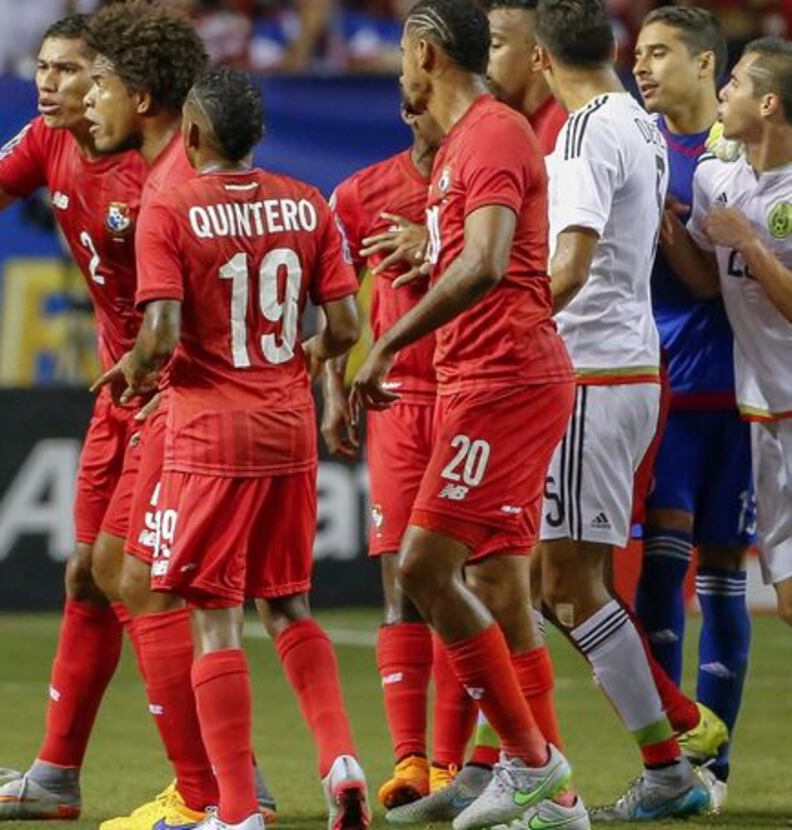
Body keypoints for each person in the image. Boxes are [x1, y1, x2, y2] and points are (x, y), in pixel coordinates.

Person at [350, 0, 583, 827]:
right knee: (499, 584)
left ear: (426, 51)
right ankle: (558, 801)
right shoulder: (459, 146)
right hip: (482, 378)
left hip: (505, 379)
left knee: (422, 568)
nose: (399, 74)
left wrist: (386, 343)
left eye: (401, 56)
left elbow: (485, 263)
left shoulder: (490, 134)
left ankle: (532, 765)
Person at [121, 64, 369, 830]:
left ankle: (235, 811)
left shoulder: (169, 208)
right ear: (255, 135)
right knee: (288, 603)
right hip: (289, 427)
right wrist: (296, 360)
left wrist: (134, 369)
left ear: (192, 133)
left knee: (214, 618)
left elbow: (161, 334)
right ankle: (340, 759)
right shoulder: (306, 203)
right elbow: (348, 328)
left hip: (209, 435)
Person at [0, 14, 153, 824]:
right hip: (120, 395)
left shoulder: (158, 159)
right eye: (43, 66)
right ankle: (56, 777)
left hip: (182, 396)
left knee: (149, 583)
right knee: (88, 574)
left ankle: (227, 783)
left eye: (67, 69)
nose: (48, 82)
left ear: (108, 81)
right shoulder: (46, 139)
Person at [83, 6, 281, 829]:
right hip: (200, 407)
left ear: (143, 97)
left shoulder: (173, 189)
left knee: (147, 580)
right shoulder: (169, 172)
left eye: (99, 83)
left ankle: (211, 792)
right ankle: (218, 781)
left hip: (192, 410)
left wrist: (136, 370)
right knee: (114, 567)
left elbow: (167, 330)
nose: (87, 99)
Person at [529, 0, 712, 821]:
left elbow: (570, 266)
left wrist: (498, 326)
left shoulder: (580, 134)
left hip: (590, 375)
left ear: (541, 59)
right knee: (551, 582)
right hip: (628, 369)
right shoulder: (639, 123)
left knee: (567, 587)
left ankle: (667, 767)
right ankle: (538, 758)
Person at [328, 108, 476, 810]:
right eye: (414, 93)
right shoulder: (361, 193)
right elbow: (335, 300)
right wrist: (333, 390)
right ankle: (410, 761)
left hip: (471, 392)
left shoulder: (487, 180)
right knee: (401, 580)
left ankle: (450, 765)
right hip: (398, 402)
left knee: (462, 580)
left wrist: (438, 240)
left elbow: (511, 260)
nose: (425, 107)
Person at [632, 6, 751, 804]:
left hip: (740, 390)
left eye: (660, 53)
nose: (642, 67)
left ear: (706, 63)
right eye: (637, 53)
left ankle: (715, 765)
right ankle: (668, 763)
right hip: (663, 385)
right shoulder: (633, 143)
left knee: (724, 570)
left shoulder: (743, 145)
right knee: (660, 569)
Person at [674, 37, 792, 632]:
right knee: (789, 603)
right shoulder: (715, 178)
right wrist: (664, 229)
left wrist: (749, 242)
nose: (723, 90)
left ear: (768, 103)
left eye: (738, 83)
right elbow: (705, 282)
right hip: (765, 411)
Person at [485, 0, 568, 153]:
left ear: (538, 57)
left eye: (495, 45)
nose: (482, 58)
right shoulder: (500, 123)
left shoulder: (562, 132)